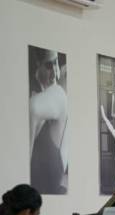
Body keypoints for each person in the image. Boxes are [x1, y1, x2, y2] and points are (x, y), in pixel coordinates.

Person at [29, 47, 68, 195]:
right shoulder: (34, 96)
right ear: (38, 63)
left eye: (56, 62)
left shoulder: (56, 93)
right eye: (49, 65)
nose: (55, 72)